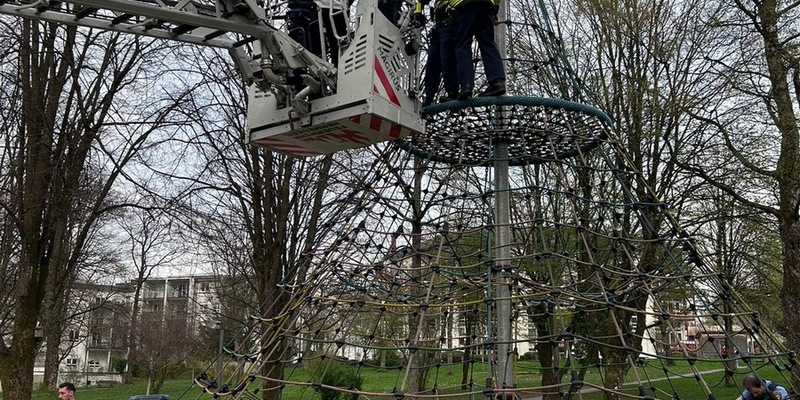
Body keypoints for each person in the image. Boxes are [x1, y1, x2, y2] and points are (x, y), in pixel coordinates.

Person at [448, 0, 506, 99]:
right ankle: (497, 81)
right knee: (488, 42)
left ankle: (466, 85)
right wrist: (495, 7)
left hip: (464, 4)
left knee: (463, 44)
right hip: (486, 4)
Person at [421, 0, 458, 106]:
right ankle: (428, 99)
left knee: (448, 60)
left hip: (450, 27)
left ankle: (453, 94)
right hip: (437, 31)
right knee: (432, 66)